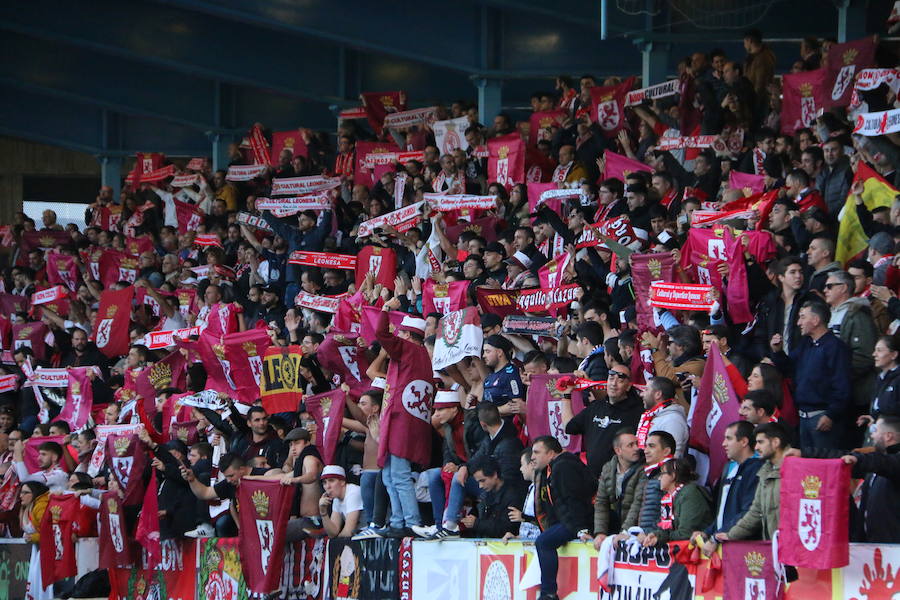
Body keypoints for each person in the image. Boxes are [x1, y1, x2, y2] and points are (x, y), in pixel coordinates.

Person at [374, 301, 434, 537]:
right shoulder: (422, 356)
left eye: (401, 332)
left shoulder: (408, 349)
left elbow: (380, 333)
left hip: (401, 420)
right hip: (409, 420)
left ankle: (410, 521)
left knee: (397, 474)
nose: (397, 335)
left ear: (409, 335)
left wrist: (386, 309)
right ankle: (398, 521)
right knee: (389, 475)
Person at [771, 301, 851, 449]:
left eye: (802, 317)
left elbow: (842, 386)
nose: (798, 322)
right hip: (803, 417)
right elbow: (788, 368)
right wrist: (778, 352)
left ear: (816, 320)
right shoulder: (806, 344)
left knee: (823, 465)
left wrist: (831, 414)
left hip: (823, 418)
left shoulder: (836, 347)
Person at [532, 436, 593, 600]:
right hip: (570, 520)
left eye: (537, 452)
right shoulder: (549, 470)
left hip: (582, 521)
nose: (532, 457)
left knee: (543, 542)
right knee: (545, 539)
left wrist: (581, 529)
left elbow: (575, 500)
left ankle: (549, 593)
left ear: (551, 453)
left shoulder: (564, 467)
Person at [561, 363, 643, 478]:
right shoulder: (596, 407)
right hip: (593, 480)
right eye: (611, 378)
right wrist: (566, 396)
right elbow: (568, 426)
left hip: (622, 480)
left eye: (620, 380)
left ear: (628, 386)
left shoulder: (637, 412)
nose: (614, 383)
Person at [718, 422, 791, 541]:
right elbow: (755, 512)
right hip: (774, 547)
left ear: (776, 442)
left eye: (761, 442)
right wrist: (731, 535)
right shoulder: (764, 472)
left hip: (793, 548)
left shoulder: (795, 469)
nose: (756, 447)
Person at [699, 421, 763, 551]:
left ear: (744, 442)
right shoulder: (730, 469)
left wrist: (717, 536)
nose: (724, 444)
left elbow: (748, 512)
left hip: (744, 549)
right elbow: (724, 512)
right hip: (724, 543)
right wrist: (707, 532)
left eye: (729, 438)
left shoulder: (756, 470)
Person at [842, 415, 900, 543]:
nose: (871, 436)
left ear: (888, 436)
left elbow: (884, 463)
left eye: (875, 430)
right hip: (871, 548)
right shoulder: (874, 470)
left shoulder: (891, 464)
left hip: (894, 552)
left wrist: (858, 459)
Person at [639, 458, 713, 546]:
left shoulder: (690, 493)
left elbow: (686, 533)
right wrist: (652, 535)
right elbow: (662, 529)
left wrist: (660, 538)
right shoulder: (668, 498)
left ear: (673, 475)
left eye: (662, 474)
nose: (659, 478)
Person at [589, 430, 643, 546]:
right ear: (618, 450)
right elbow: (601, 502)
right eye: (631, 445)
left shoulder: (644, 469)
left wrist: (625, 531)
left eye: (637, 444)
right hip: (620, 528)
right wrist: (600, 532)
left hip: (638, 531)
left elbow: (638, 503)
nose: (636, 448)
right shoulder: (608, 469)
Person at [460, 456, 524, 538]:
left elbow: (508, 528)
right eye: (478, 482)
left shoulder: (513, 496)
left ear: (495, 474)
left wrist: (477, 523)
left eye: (483, 481)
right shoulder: (486, 495)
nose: (480, 486)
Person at [636, 377, 688, 457]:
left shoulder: (673, 421)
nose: (641, 394)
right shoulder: (652, 416)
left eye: (646, 390)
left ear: (658, 394)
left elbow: (671, 458)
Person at [20, 481, 51, 600]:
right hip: (39, 551)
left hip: (46, 553)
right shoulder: (30, 507)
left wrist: (32, 537)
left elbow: (50, 532)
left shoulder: (41, 507)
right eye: (21, 492)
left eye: (25, 492)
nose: (21, 495)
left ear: (35, 493)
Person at [319, 465, 363, 538]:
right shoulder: (336, 498)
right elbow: (333, 533)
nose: (327, 486)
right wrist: (323, 512)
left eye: (331, 480)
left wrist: (335, 543)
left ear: (342, 482)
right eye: (324, 482)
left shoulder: (353, 493)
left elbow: (349, 531)